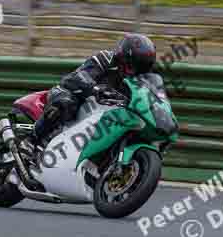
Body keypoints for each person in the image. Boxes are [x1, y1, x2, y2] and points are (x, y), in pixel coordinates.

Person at [19, 33, 157, 161]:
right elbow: (80, 76)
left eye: (142, 68)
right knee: (67, 103)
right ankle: (31, 141)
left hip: (106, 112)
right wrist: (95, 88)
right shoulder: (105, 59)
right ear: (123, 57)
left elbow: (150, 97)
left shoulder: (141, 82)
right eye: (134, 65)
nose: (136, 71)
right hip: (74, 93)